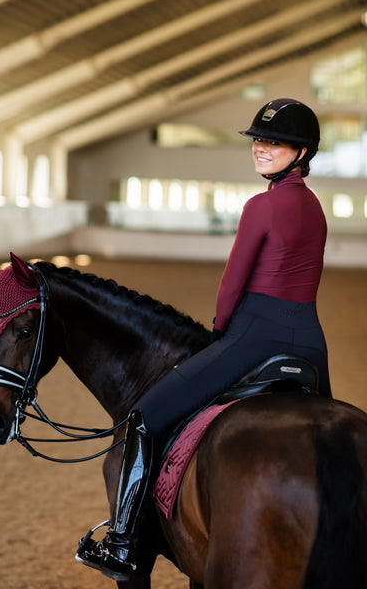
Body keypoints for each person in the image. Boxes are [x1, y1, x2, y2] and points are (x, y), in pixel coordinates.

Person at [76, 97, 331, 581]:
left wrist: (220, 332)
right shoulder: (316, 208)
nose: (261, 148)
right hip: (311, 347)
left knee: (143, 419)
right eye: (258, 139)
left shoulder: (262, 206)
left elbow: (232, 283)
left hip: (255, 337)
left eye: (274, 142)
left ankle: (122, 541)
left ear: (301, 151)